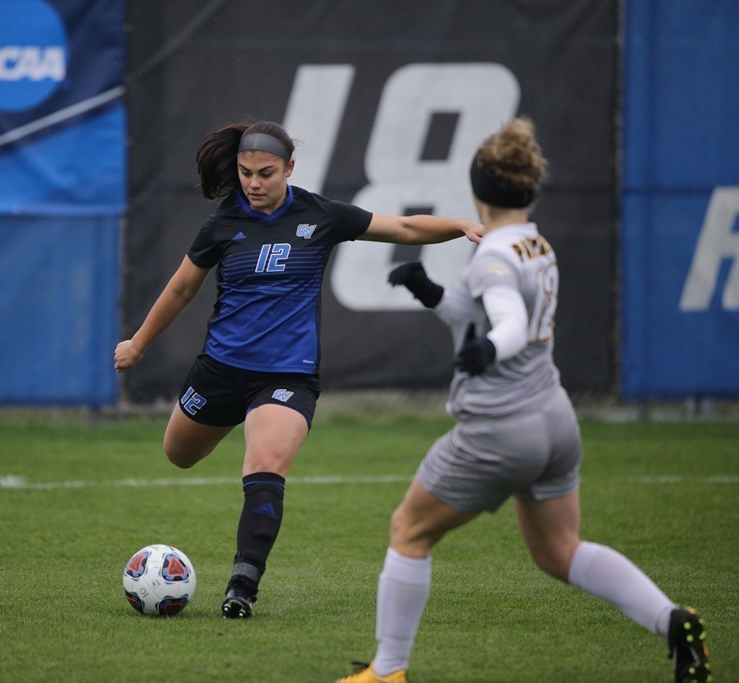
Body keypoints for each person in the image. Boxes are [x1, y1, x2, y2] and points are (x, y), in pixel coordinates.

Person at [336, 118, 712, 683]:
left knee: (409, 532)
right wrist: (430, 293)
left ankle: (388, 672)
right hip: (554, 419)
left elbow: (507, 321)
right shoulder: (534, 244)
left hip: (499, 427)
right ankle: (672, 620)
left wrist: (489, 350)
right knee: (560, 550)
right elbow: (491, 310)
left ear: (476, 192)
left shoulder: (490, 255)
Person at [114, 119, 483, 619]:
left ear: (290, 167)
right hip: (220, 370)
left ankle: (243, 584)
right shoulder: (223, 224)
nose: (254, 183)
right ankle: (239, 552)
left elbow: (403, 227)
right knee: (178, 454)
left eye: (266, 172)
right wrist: (138, 344)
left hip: (287, 375)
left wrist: (460, 226)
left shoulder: (321, 214)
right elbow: (182, 289)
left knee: (265, 463)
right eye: (246, 173)